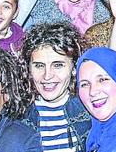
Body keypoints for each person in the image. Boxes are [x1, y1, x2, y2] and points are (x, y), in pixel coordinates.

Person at [20, 23, 92, 151]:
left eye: (58, 65)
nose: (47, 76)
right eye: (39, 66)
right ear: (28, 68)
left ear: (75, 68)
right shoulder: (18, 114)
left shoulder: (90, 111)